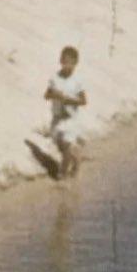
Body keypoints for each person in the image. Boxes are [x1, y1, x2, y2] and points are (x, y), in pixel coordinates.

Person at [44, 45, 87, 178]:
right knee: (60, 145)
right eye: (64, 61)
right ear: (60, 61)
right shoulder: (54, 78)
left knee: (67, 144)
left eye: (70, 63)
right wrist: (55, 95)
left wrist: (70, 100)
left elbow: (83, 101)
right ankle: (76, 157)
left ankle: (62, 174)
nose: (67, 65)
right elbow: (46, 95)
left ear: (75, 64)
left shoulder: (77, 80)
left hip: (70, 119)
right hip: (56, 118)